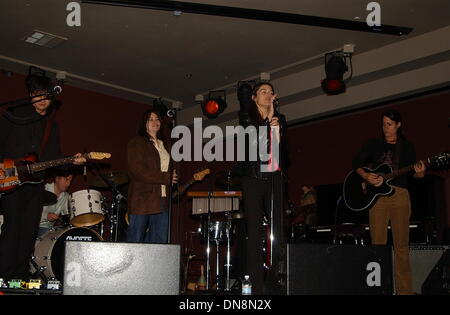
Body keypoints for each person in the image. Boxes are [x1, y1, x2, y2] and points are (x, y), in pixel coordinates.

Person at [0, 72, 85, 281]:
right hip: (10, 181)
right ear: (31, 95)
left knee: (29, 230)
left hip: (35, 184)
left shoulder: (50, 125)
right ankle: (3, 273)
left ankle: (19, 276)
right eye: (39, 95)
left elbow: (52, 156)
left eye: (47, 96)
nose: (44, 100)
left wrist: (70, 160)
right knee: (12, 228)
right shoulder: (13, 115)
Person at [352, 109, 426, 295]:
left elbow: (415, 174)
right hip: (377, 198)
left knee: (401, 245)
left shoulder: (407, 147)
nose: (386, 128)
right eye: (384, 124)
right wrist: (367, 176)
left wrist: (420, 172)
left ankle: (404, 291)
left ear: (398, 125)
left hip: (400, 195)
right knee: (377, 244)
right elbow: (356, 164)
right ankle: (379, 288)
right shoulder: (373, 144)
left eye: (390, 124)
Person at [236, 81, 289, 294]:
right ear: (254, 97)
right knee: (255, 232)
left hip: (274, 176)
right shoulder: (247, 115)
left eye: (270, 92)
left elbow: (279, 150)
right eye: (263, 92)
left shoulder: (280, 119)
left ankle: (278, 281)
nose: (268, 95)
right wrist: (268, 121)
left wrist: (277, 126)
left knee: (277, 229)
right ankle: (256, 287)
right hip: (253, 177)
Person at [127, 109, 178, 243]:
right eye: (151, 119)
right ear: (144, 123)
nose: (155, 122)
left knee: (159, 245)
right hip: (142, 199)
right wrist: (166, 178)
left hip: (162, 200)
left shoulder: (164, 145)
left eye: (157, 119)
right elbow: (136, 170)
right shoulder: (137, 142)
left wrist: (172, 177)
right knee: (135, 242)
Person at [38, 169, 73, 237]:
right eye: (66, 180)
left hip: (50, 229)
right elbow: (29, 212)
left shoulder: (66, 196)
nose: (68, 184)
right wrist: (46, 216)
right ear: (57, 179)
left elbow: (67, 215)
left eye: (70, 181)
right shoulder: (43, 189)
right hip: (34, 226)